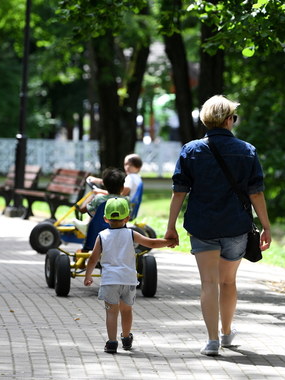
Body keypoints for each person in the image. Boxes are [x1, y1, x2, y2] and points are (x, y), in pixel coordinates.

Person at [165, 95, 272, 356]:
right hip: (235, 226)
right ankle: (226, 333)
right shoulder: (247, 150)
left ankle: (212, 341)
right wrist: (267, 226)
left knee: (208, 283)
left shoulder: (190, 150)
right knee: (228, 282)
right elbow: (256, 193)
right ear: (227, 120)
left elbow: (179, 191)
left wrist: (171, 227)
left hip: (202, 226)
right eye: (233, 117)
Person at [84, 197, 175, 354]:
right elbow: (152, 243)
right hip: (128, 279)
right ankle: (126, 338)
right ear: (127, 217)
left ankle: (112, 343)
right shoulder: (131, 234)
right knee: (126, 310)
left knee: (111, 312)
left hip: (110, 281)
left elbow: (93, 258)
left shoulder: (102, 236)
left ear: (105, 218)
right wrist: (168, 241)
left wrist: (88, 275)